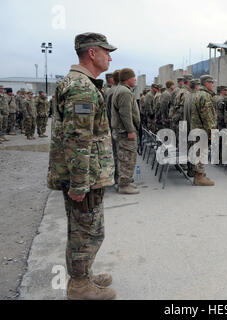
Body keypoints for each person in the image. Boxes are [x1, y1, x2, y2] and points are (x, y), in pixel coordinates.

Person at [47, 32, 117, 300]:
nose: (109, 57)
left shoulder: (81, 83)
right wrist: (79, 184)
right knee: (85, 231)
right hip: (84, 177)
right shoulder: (81, 88)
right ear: (92, 53)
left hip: (87, 175)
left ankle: (84, 275)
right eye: (106, 51)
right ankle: (79, 286)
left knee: (85, 229)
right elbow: (79, 139)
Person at [111, 68, 141, 195]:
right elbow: (125, 114)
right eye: (134, 78)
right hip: (125, 131)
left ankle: (125, 181)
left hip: (120, 130)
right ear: (128, 79)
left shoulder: (121, 89)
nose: (135, 80)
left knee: (123, 156)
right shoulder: (125, 92)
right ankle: (124, 185)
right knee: (128, 157)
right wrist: (130, 130)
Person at [191, 75, 217, 186]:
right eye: (211, 82)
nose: (213, 85)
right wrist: (211, 132)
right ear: (206, 83)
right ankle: (199, 178)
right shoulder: (205, 96)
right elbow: (207, 117)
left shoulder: (197, 94)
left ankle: (199, 174)